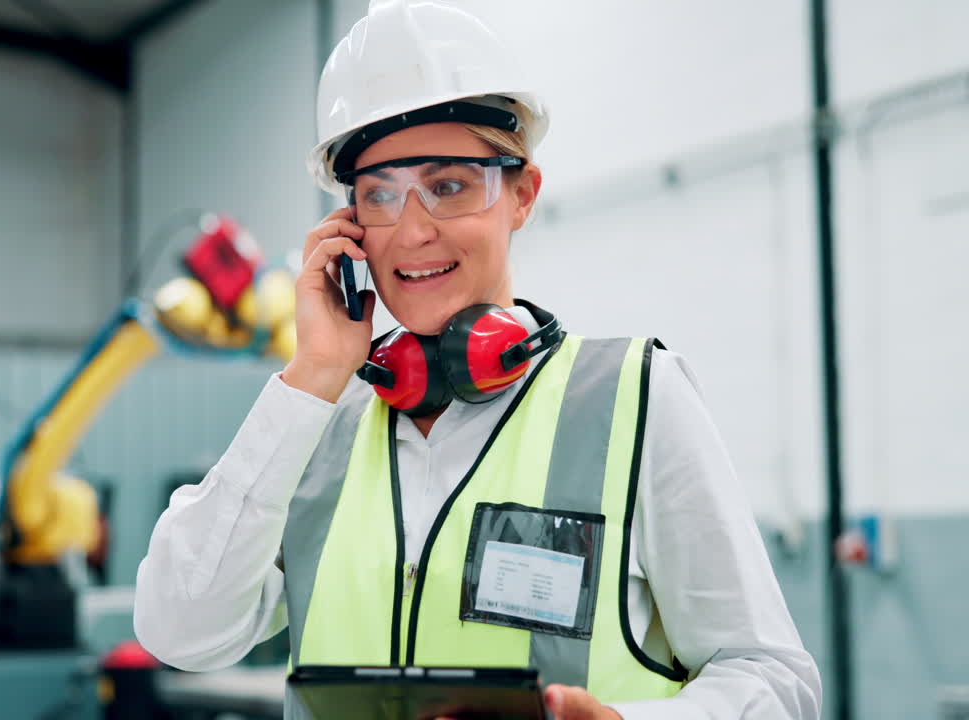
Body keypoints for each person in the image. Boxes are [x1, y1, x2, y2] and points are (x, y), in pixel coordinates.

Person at [135, 2, 822, 718]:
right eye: (380, 195)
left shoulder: (635, 401)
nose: (413, 231)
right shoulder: (314, 433)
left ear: (522, 195)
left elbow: (774, 681)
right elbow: (179, 630)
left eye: (449, 186)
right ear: (347, 227)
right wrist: (309, 379)